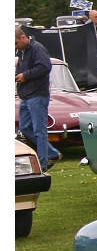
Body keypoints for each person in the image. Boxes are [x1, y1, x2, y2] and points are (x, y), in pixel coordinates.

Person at [16, 28, 62, 169]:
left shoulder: (37, 48)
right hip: (26, 95)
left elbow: (45, 67)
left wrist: (25, 75)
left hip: (37, 95)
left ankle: (42, 162)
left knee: (39, 130)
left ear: (23, 37)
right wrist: (18, 74)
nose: (15, 46)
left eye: (16, 43)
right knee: (24, 127)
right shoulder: (22, 51)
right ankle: (52, 153)